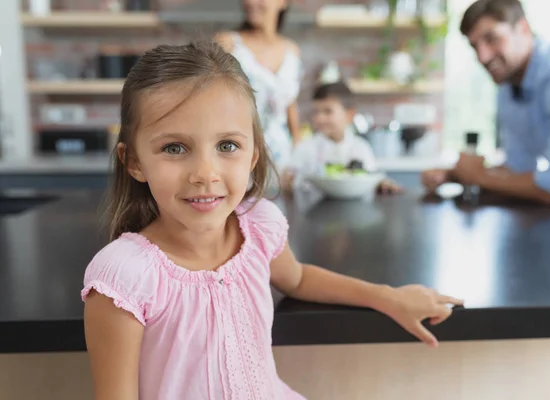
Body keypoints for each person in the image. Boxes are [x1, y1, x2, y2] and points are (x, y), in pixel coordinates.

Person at [81, 41, 462, 399]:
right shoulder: (125, 278)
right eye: (174, 148)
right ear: (133, 161)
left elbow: (296, 278)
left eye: (226, 145)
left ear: (252, 154)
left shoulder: (257, 225)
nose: (205, 172)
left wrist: (388, 298)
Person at [422, 0, 550, 208]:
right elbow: (518, 169)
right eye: (474, 46)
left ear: (523, 28)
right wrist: (454, 175)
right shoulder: (508, 88)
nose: (482, 56)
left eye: (492, 38)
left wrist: (478, 176)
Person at [215, 0, 303, 172]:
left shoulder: (292, 50)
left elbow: (290, 104)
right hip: (237, 156)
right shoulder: (228, 43)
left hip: (282, 159)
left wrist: (298, 148)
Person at [282, 81, 403, 194]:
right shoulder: (305, 148)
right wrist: (287, 180)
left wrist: (381, 184)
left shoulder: (361, 147)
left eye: (327, 112)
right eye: (316, 112)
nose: (319, 118)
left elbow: (371, 178)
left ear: (349, 115)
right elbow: (291, 179)